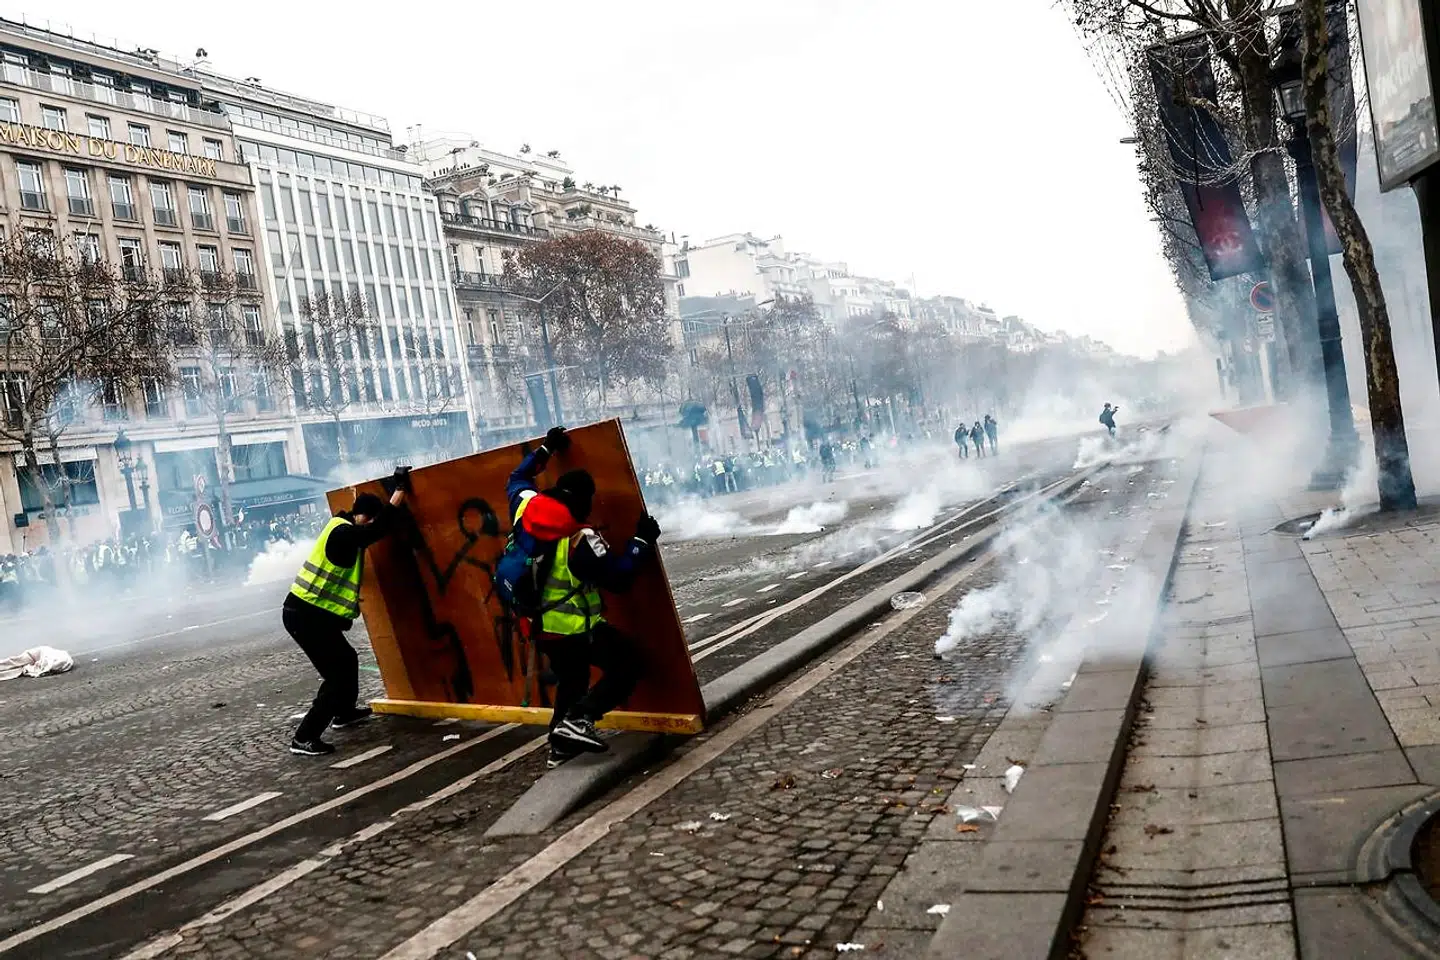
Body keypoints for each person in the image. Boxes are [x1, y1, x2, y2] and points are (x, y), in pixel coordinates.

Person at [503, 426, 661, 768]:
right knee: (628, 662)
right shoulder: (580, 538)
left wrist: (547, 448)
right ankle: (580, 719)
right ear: (584, 501)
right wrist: (641, 542)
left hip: (537, 625)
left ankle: (560, 747)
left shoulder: (525, 506)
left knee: (572, 680)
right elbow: (618, 579)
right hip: (574, 628)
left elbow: (517, 477)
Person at [284, 467, 410, 757]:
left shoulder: (340, 527)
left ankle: (343, 712)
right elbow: (375, 531)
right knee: (337, 676)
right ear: (365, 517)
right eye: (372, 519)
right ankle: (304, 737)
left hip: (312, 615)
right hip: (305, 617)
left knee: (348, 660)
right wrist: (399, 491)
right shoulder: (343, 533)